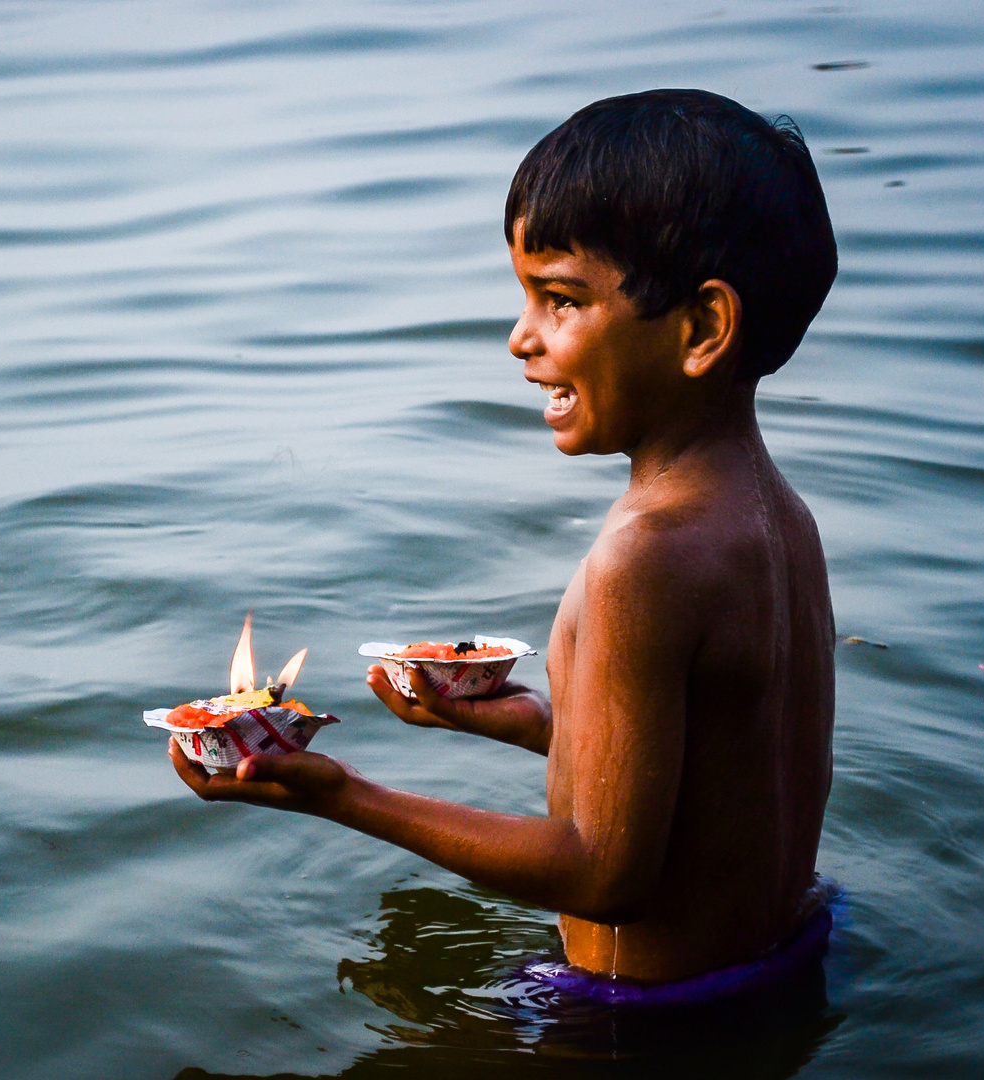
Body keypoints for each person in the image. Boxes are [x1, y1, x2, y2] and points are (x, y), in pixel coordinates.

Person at [169, 88, 838, 990]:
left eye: (560, 299)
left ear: (702, 329)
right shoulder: (778, 518)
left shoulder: (642, 560)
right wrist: (537, 726)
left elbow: (604, 873)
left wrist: (343, 793)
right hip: (786, 962)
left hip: (635, 1023)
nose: (521, 336)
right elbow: (721, 774)